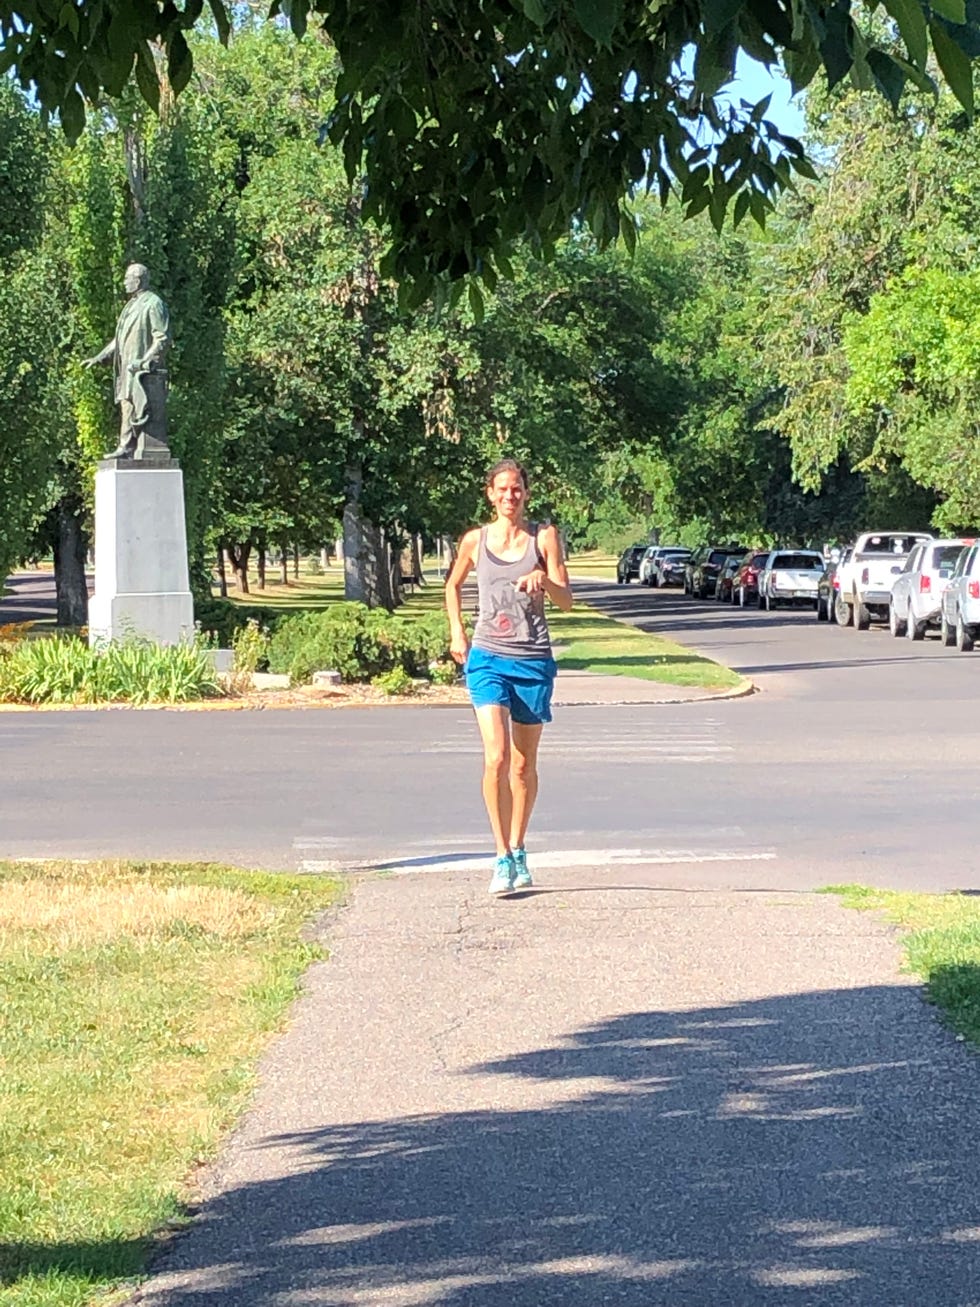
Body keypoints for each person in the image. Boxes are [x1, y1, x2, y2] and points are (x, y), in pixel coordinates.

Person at [445, 458, 573, 894]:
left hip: (533, 659)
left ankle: (519, 847)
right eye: (502, 489)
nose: (509, 496)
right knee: (496, 758)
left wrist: (543, 579)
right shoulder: (474, 541)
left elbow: (567, 599)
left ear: (526, 493)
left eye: (516, 489)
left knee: (522, 766)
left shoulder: (544, 538)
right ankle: (500, 856)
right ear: (490, 493)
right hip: (487, 657)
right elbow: (452, 585)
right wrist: (457, 632)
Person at [83, 263, 171, 459]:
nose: (124, 283)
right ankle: (126, 445)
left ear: (137, 280)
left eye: (127, 279)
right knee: (126, 405)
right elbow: (120, 339)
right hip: (127, 368)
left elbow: (162, 338)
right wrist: (100, 357)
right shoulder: (131, 305)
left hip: (140, 371)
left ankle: (127, 446)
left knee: (132, 406)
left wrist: (146, 361)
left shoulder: (153, 303)